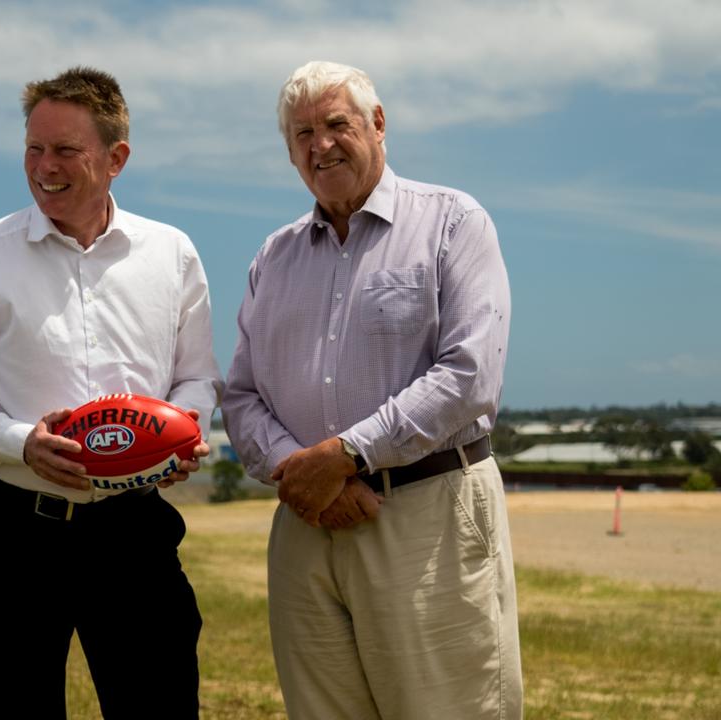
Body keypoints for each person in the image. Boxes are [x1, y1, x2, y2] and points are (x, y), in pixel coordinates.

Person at [0, 67, 222, 719]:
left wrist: (185, 428)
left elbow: (196, 375)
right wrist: (20, 443)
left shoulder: (173, 254)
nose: (44, 166)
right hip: (10, 537)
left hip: (133, 532)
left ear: (116, 158)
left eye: (65, 151)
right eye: (33, 149)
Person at [221, 61, 521, 719]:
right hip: (305, 524)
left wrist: (345, 456)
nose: (319, 145)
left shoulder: (452, 223)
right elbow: (240, 395)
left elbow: (468, 375)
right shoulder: (273, 257)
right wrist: (300, 474)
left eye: (336, 125)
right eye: (301, 133)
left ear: (378, 124)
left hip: (427, 514)